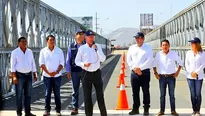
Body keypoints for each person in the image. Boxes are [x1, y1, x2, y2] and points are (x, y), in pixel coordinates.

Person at [75, 30, 107, 116]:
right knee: (87, 97)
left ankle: (104, 114)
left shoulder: (98, 47)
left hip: (96, 73)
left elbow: (103, 59)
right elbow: (77, 61)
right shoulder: (82, 48)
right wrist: (83, 64)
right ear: (86, 37)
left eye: (93, 37)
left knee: (100, 95)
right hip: (86, 74)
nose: (92, 38)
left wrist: (97, 50)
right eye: (90, 37)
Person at [153, 39, 183, 116]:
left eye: (166, 45)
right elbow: (154, 64)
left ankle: (173, 110)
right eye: (163, 45)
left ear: (169, 46)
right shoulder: (158, 54)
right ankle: (161, 111)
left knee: (172, 95)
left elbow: (180, 63)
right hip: (162, 77)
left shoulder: (173, 54)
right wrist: (155, 73)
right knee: (162, 95)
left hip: (171, 77)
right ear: (161, 46)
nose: (165, 46)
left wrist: (177, 72)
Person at [127, 32, 153, 115]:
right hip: (134, 73)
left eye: (139, 38)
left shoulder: (148, 48)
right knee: (135, 92)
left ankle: (146, 109)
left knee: (145, 91)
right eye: (136, 38)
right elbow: (129, 59)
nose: (138, 40)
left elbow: (149, 60)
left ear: (143, 39)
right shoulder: (132, 48)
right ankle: (135, 108)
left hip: (144, 73)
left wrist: (140, 68)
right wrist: (135, 68)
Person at [10, 37, 37, 116]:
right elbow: (12, 66)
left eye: (25, 41)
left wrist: (34, 74)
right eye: (22, 41)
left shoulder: (29, 51)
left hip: (28, 75)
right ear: (18, 43)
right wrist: (14, 76)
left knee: (28, 95)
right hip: (19, 75)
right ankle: (19, 112)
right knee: (19, 95)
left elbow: (33, 63)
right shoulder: (15, 52)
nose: (24, 43)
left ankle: (27, 112)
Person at [39, 35, 65, 116]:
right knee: (47, 94)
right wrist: (48, 72)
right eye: (50, 40)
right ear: (47, 41)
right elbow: (41, 63)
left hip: (57, 76)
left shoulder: (59, 50)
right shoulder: (43, 51)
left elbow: (62, 63)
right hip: (47, 76)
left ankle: (58, 111)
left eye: (53, 40)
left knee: (57, 93)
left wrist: (56, 72)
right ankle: (47, 110)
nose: (52, 41)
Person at [66, 29, 85, 115]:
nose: (81, 35)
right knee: (75, 90)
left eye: (82, 34)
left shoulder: (87, 45)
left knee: (86, 89)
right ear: (75, 36)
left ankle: (88, 107)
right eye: (79, 34)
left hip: (85, 71)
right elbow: (68, 59)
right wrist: (68, 71)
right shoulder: (71, 46)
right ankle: (75, 108)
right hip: (74, 71)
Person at [185, 37, 205, 116]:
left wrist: (196, 72)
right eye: (191, 43)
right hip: (190, 76)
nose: (191, 44)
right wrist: (191, 72)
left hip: (199, 76)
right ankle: (194, 110)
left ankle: (198, 110)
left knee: (198, 93)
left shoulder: (202, 53)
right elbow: (186, 64)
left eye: (193, 43)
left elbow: (203, 64)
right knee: (192, 94)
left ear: (197, 44)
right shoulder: (188, 53)